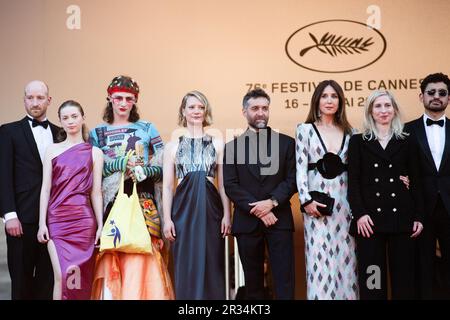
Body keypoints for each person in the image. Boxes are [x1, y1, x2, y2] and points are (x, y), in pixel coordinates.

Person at [89, 75, 174, 300]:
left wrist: (146, 170)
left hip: (142, 199)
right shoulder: (97, 133)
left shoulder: (147, 128)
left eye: (129, 98)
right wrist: (120, 164)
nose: (123, 103)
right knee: (113, 251)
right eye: (118, 98)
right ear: (110, 98)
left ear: (135, 101)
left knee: (143, 253)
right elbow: (93, 172)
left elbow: (165, 167)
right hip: (111, 202)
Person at [347, 90, 424, 300]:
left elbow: (416, 181)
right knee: (373, 281)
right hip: (370, 222)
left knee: (403, 281)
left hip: (402, 219)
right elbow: (352, 182)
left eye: (387, 106)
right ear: (370, 111)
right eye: (378, 106)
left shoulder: (407, 140)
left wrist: (418, 216)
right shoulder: (358, 142)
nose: (383, 111)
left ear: (394, 110)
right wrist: (360, 213)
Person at [223, 88, 297, 299]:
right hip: (247, 223)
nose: (260, 113)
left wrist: (272, 202)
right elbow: (231, 185)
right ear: (244, 112)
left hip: (279, 220)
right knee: (252, 283)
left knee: (284, 280)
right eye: (255, 108)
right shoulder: (231, 147)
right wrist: (260, 209)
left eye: (264, 108)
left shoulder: (286, 143)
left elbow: (292, 180)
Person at [163, 90, 231, 300]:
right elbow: (167, 186)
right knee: (186, 261)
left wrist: (227, 215)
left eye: (201, 107)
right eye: (192, 107)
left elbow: (223, 186)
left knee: (212, 260)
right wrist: (167, 219)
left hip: (211, 208)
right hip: (182, 209)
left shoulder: (218, 143)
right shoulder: (172, 146)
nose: (196, 111)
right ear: (183, 111)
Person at [295, 80, 358, 300]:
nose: (329, 100)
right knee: (318, 263)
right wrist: (306, 201)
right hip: (316, 205)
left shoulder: (352, 133)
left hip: (345, 206)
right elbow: (300, 169)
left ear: (341, 101)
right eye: (324, 96)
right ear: (317, 100)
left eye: (334, 96)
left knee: (346, 262)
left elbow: (359, 173)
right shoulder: (305, 130)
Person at [37, 100, 103, 300]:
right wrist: (42, 224)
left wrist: (100, 225)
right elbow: (46, 189)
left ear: (83, 118)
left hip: (83, 221)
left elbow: (96, 192)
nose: (71, 121)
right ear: (60, 122)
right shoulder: (52, 150)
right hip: (57, 220)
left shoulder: (94, 152)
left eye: (74, 116)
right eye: (65, 118)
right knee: (61, 275)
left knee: (81, 276)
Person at [0, 80, 59, 299]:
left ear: (49, 100)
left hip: (54, 221)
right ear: (24, 99)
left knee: (48, 281)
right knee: (21, 283)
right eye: (30, 97)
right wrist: (9, 215)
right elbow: (3, 175)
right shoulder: (8, 131)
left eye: (40, 97)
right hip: (21, 220)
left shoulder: (61, 132)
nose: (35, 102)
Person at [405, 72, 450, 299]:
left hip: (449, 208)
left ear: (448, 98)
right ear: (421, 96)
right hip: (420, 208)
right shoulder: (406, 130)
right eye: (431, 92)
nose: (436, 97)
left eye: (442, 93)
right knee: (422, 267)